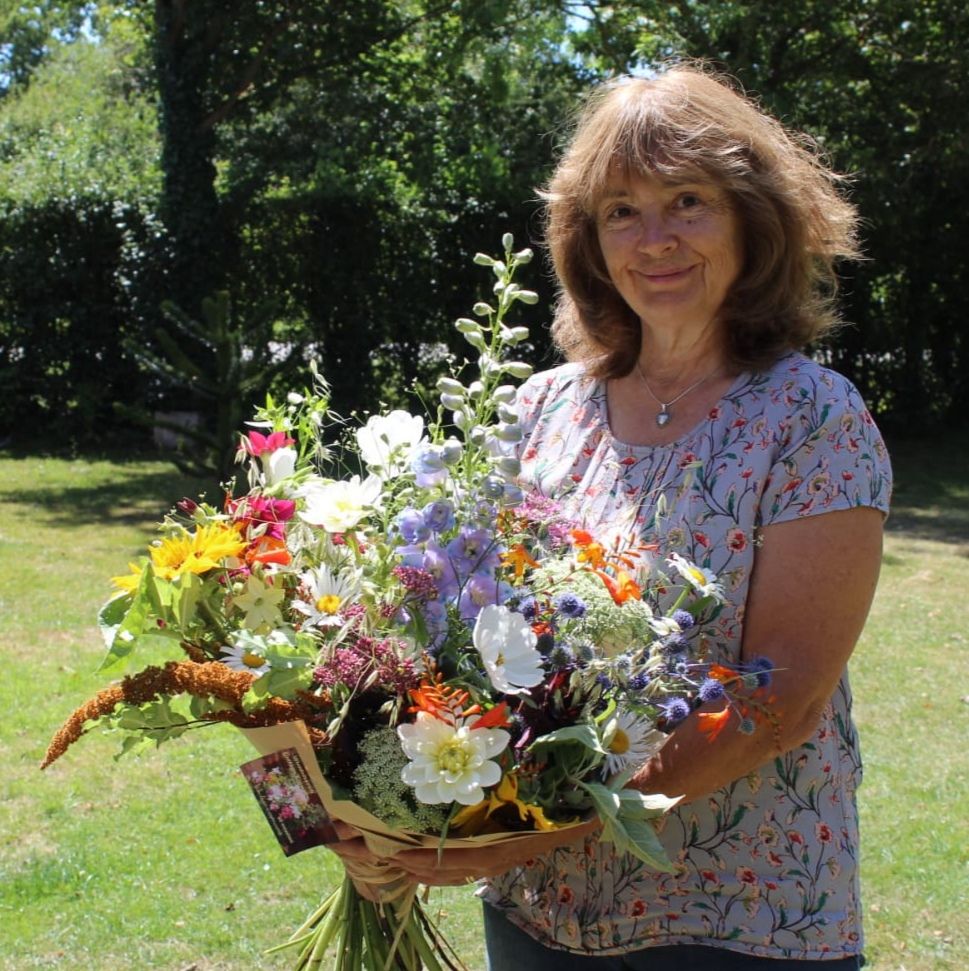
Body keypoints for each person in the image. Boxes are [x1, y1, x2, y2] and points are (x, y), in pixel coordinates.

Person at [337, 64, 891, 969]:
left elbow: (780, 699)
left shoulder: (812, 416)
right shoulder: (537, 409)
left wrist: (523, 834)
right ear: (586, 241)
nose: (655, 238)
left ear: (753, 220)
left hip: (736, 912)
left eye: (688, 201)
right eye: (620, 211)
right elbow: (457, 641)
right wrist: (387, 814)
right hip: (539, 916)